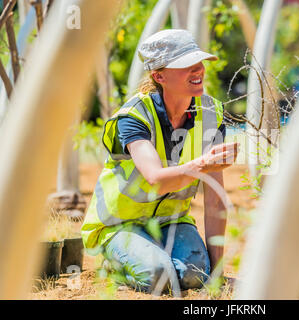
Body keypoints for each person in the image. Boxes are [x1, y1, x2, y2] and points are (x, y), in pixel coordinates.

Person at [81, 29, 239, 292]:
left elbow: (214, 198)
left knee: (195, 277)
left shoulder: (211, 114)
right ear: (159, 76)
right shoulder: (133, 117)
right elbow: (155, 179)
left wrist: (217, 273)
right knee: (158, 276)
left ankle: (157, 259)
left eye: (198, 61)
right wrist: (203, 164)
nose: (198, 69)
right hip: (118, 225)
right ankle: (115, 265)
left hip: (172, 221)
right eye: (185, 64)